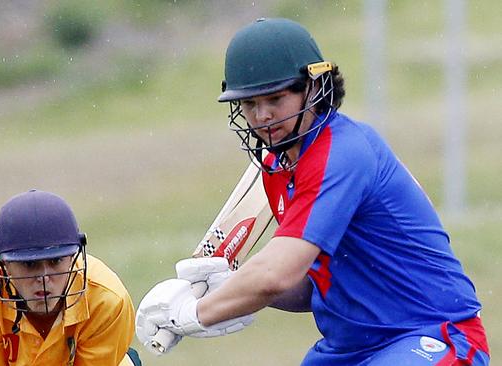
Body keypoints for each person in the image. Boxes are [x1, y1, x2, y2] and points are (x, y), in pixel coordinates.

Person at [135, 18, 490, 365]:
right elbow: (315, 285)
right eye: (249, 104)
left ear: (315, 87)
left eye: (275, 98)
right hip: (348, 349)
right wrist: (231, 286)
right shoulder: (278, 167)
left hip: (432, 335)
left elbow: (277, 274)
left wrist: (193, 312)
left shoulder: (343, 152)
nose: (262, 116)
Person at [0, 189, 141, 366]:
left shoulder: (107, 299)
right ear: (2, 263)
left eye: (56, 261)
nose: (44, 277)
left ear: (73, 256)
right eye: (29, 264)